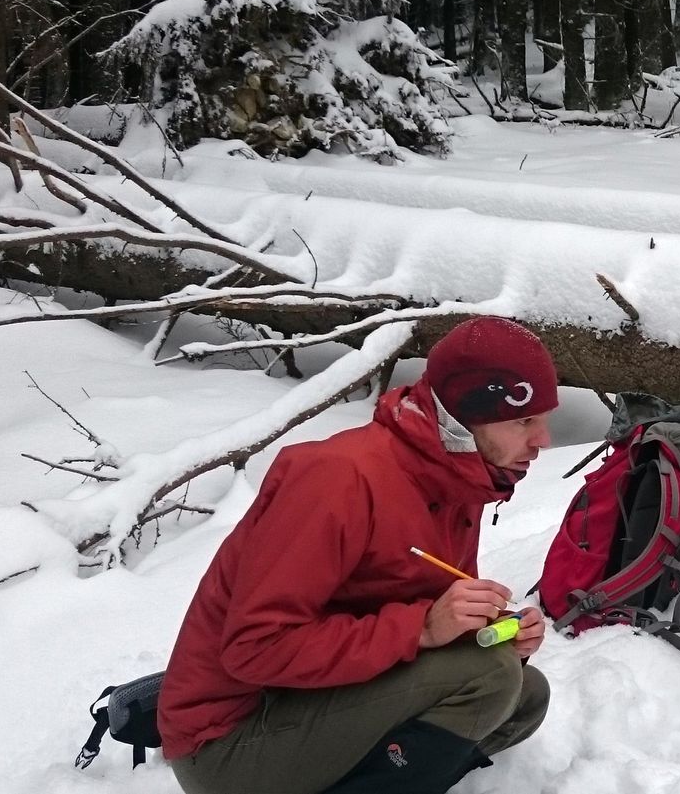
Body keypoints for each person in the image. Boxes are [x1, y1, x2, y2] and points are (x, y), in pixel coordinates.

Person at [158, 316, 559, 794]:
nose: (543, 440)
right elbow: (255, 648)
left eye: (544, 419)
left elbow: (416, 604)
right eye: (523, 420)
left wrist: (490, 629)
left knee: (523, 692)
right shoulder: (337, 480)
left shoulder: (459, 478)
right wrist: (426, 629)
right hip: (229, 739)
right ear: (464, 415)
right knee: (487, 679)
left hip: (310, 700)